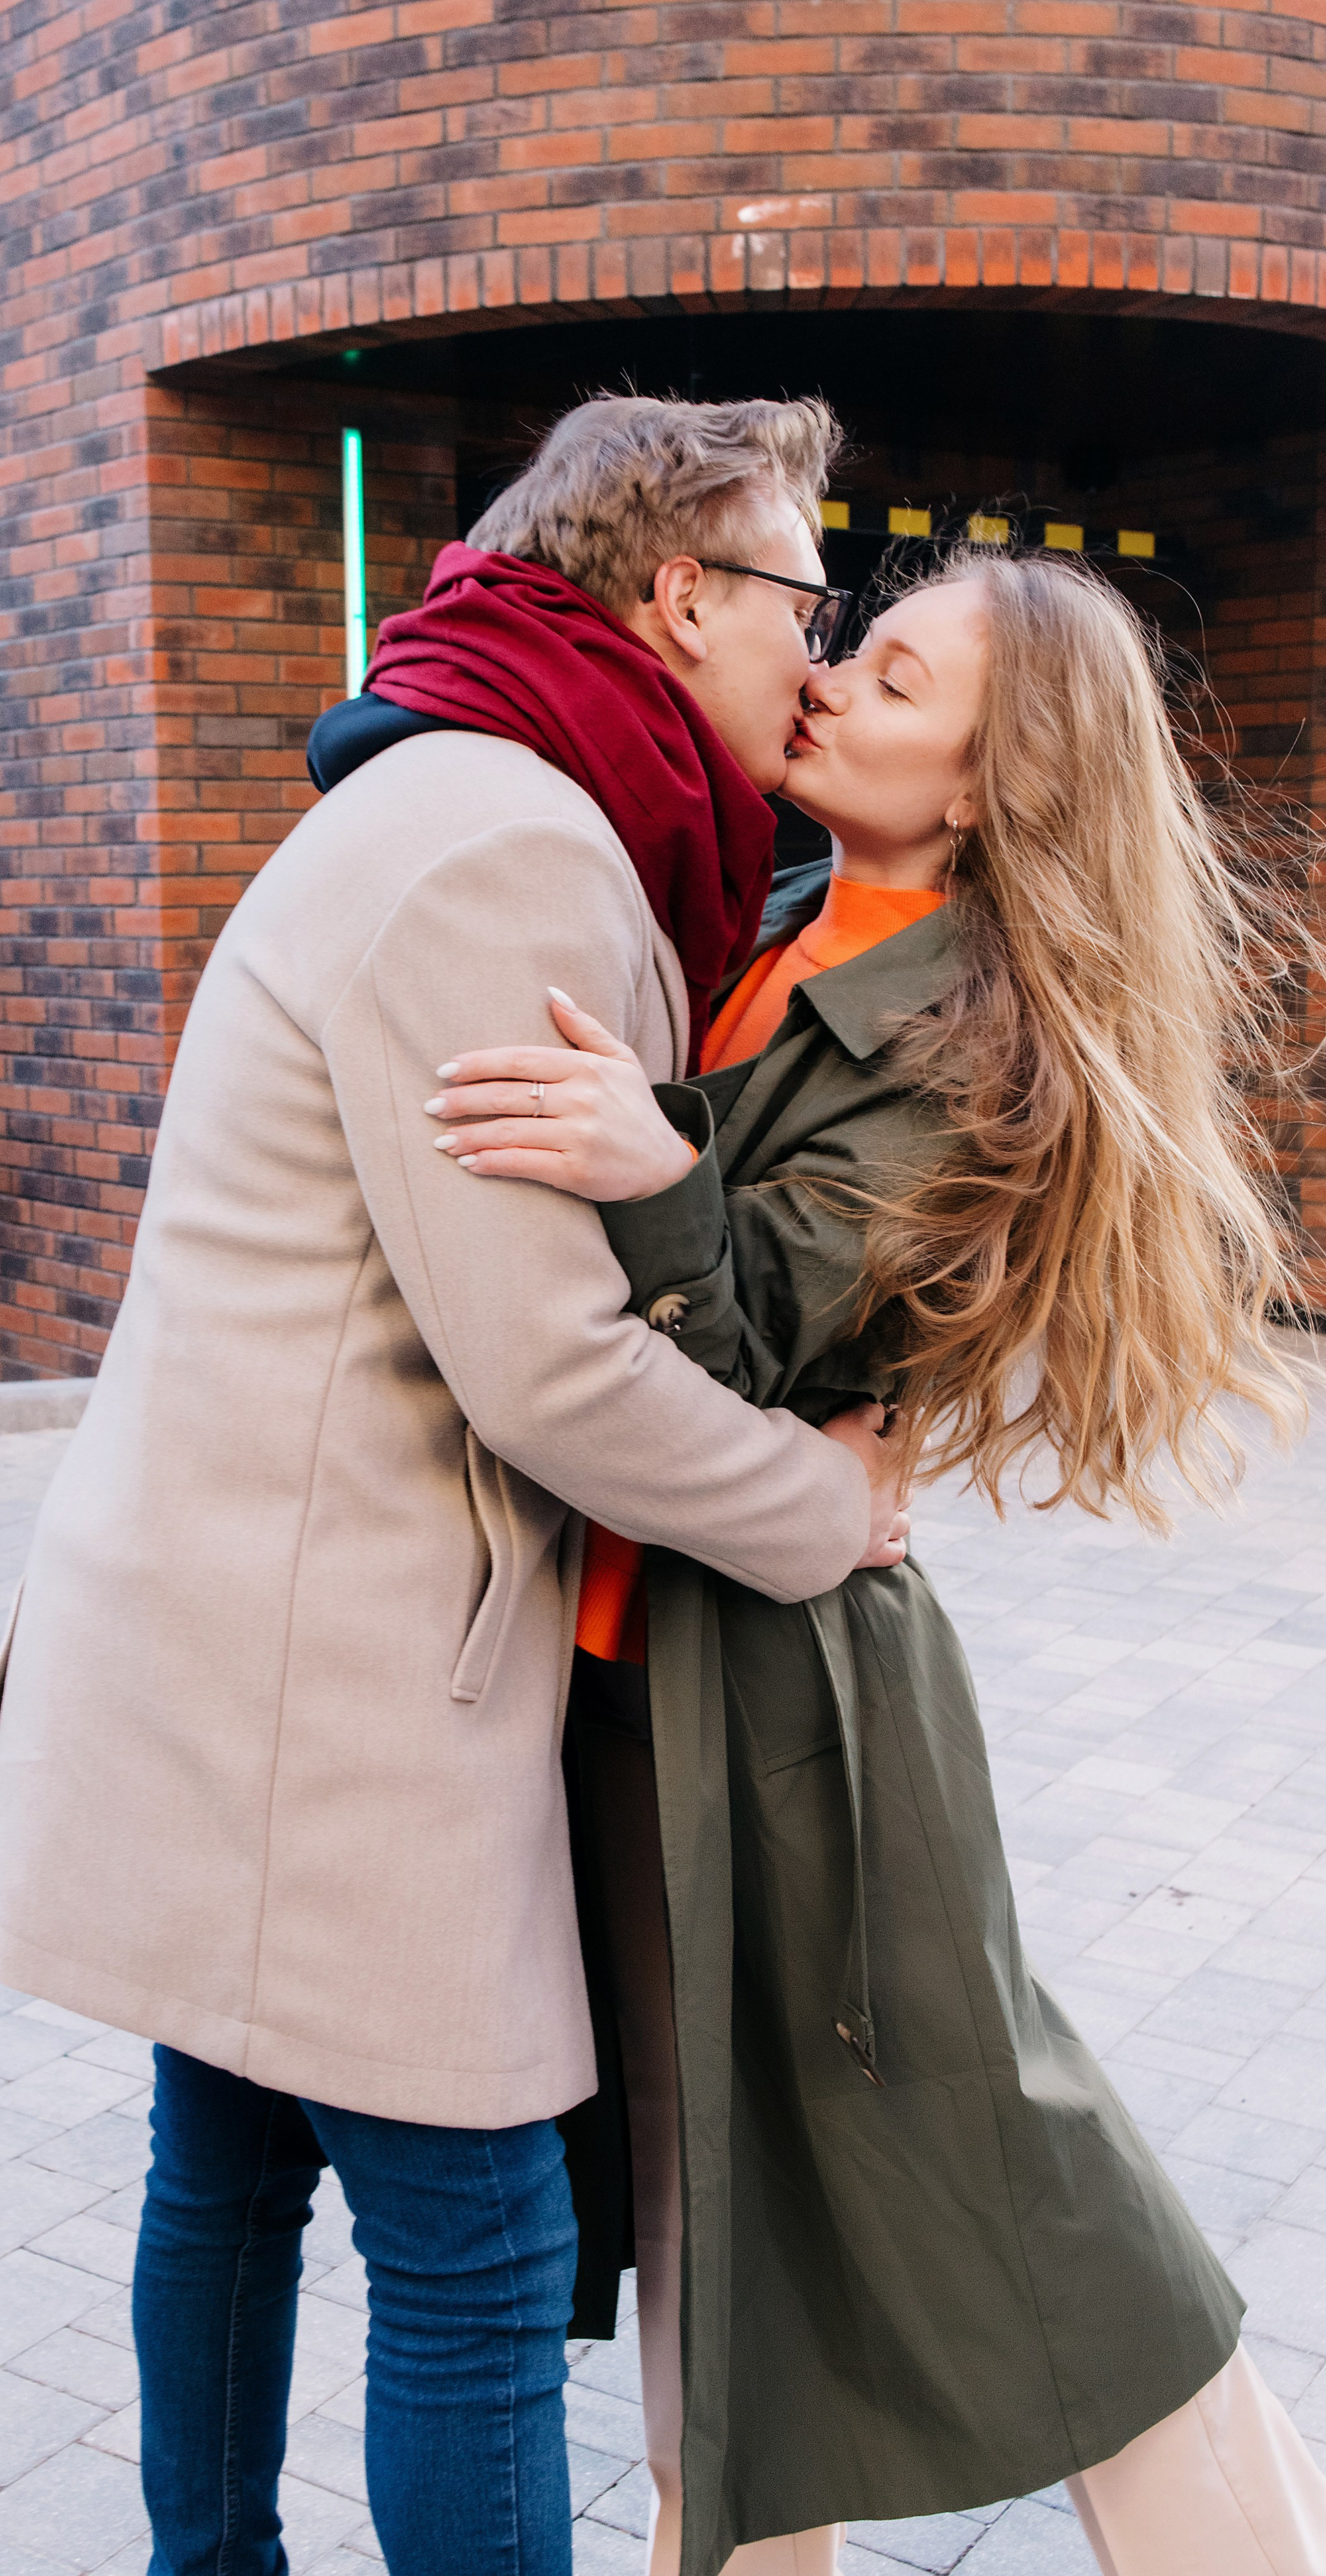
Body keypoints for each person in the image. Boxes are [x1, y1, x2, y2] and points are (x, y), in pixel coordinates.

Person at [0, 393, 913, 2576]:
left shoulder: (467, 781)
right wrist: (822, 1504)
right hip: (328, 1679)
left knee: (228, 2165)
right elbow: (546, 1364)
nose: (818, 648)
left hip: (236, 1620)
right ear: (682, 595)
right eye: (803, 595)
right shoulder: (514, 846)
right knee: (478, 2242)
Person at [428, 547, 1326, 2576]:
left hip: (794, 1712)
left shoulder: (978, 1039)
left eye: (898, 681)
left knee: (1025, 2194)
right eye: (854, 644)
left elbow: (764, 1335)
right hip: (651, 1675)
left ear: (995, 785)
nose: (829, 682)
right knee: (720, 2234)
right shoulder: (769, 923)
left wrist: (658, 1172)